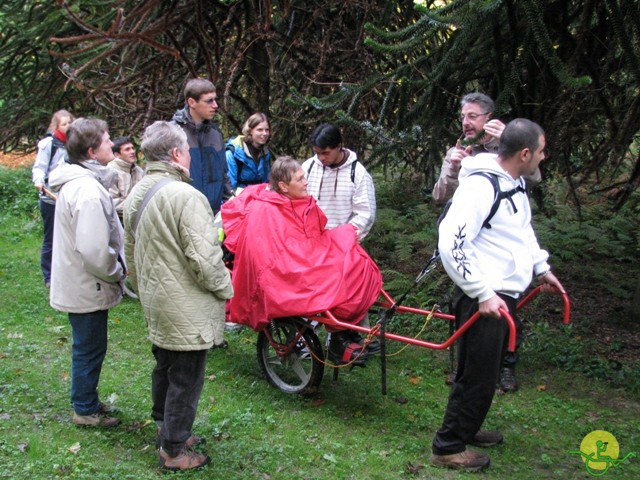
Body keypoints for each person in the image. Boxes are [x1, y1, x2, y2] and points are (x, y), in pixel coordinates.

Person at [431, 119, 566, 471]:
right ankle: (448, 446)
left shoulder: (514, 183)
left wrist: (541, 267)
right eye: (540, 151)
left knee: (486, 372)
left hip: (501, 296)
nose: (543, 156)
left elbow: (521, 231)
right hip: (484, 298)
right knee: (476, 374)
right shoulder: (480, 187)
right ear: (524, 153)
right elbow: (451, 242)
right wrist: (481, 292)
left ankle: (468, 428)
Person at [123, 121, 233, 471]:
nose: (189, 153)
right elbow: (204, 258)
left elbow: (130, 252)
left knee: (165, 368)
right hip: (184, 303)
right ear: (175, 154)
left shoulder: (139, 191)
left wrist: (143, 291)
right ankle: (173, 451)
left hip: (157, 299)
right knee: (186, 377)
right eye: (186, 148)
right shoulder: (187, 196)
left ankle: (167, 428)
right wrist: (225, 287)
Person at [221, 156, 382, 365]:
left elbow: (314, 232)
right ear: (283, 186)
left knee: (354, 258)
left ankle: (345, 333)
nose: (306, 182)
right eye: (300, 179)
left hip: (305, 255)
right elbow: (268, 255)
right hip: (287, 270)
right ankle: (341, 336)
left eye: (304, 177)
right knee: (342, 269)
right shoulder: (265, 210)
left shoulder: (295, 201)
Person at [433, 92, 541, 392]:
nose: (466, 123)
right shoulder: (459, 149)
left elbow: (534, 176)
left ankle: (506, 365)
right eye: (463, 117)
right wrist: (452, 169)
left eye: (473, 117)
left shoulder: (508, 144)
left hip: (502, 241)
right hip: (468, 242)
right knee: (469, 304)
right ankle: (469, 373)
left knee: (506, 307)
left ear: (488, 118)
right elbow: (439, 195)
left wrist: (510, 139)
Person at [48, 117, 125, 428]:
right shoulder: (87, 191)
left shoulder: (83, 183)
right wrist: (116, 270)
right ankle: (85, 410)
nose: (112, 145)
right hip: (87, 284)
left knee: (90, 346)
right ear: (93, 152)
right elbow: (93, 250)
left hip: (82, 282)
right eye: (107, 141)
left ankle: (87, 401)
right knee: (89, 349)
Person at [302, 123, 376, 241]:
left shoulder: (357, 173)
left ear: (338, 146)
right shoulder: (308, 168)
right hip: (311, 240)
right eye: (317, 153)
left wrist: (345, 237)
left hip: (341, 243)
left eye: (325, 153)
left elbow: (366, 214)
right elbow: (296, 201)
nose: (321, 158)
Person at [171, 78, 232, 215]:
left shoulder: (215, 133)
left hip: (213, 213)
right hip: (183, 214)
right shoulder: (172, 134)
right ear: (192, 102)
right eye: (209, 101)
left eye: (215, 100)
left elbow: (223, 174)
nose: (215, 105)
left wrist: (230, 203)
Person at [32, 109, 74, 288]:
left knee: (70, 236)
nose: (68, 127)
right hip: (51, 197)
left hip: (69, 196)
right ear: (57, 126)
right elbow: (39, 167)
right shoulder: (49, 143)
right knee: (51, 237)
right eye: (64, 124)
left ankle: (67, 272)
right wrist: (38, 181)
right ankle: (49, 276)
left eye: (70, 123)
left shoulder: (75, 144)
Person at [225, 112, 272, 191]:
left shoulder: (265, 154)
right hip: (239, 198)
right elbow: (229, 188)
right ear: (250, 131)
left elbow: (266, 183)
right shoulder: (232, 153)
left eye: (267, 130)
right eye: (260, 130)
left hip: (259, 197)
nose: (264, 133)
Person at [108, 136, 144, 223]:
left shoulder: (138, 170)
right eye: (127, 149)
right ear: (117, 155)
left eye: (132, 148)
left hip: (139, 217)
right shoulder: (111, 172)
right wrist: (137, 206)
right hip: (119, 220)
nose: (132, 151)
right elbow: (112, 203)